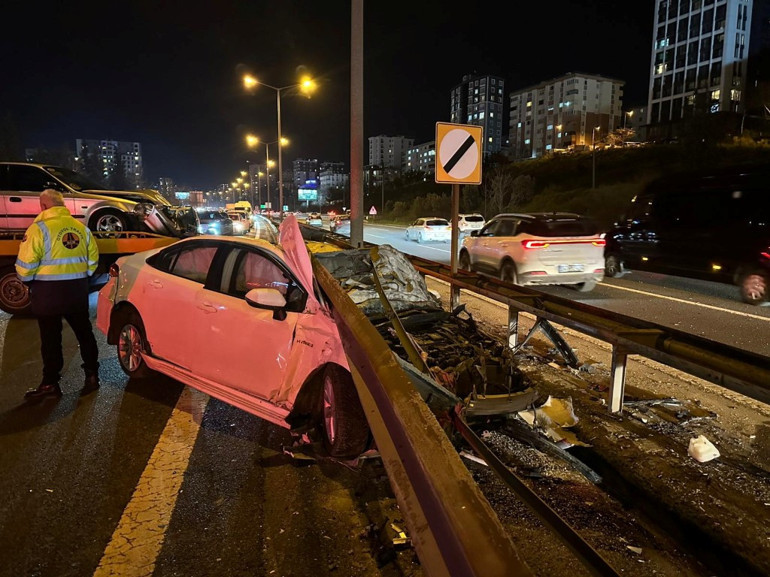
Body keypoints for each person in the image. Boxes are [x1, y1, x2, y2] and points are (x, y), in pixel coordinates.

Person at [15, 189, 101, 400]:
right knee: (85, 333)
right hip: (77, 292)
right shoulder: (81, 229)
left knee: (51, 339)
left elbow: (25, 268)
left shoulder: (39, 229)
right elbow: (93, 262)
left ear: (43, 206)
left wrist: (27, 280)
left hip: (48, 295)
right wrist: (80, 278)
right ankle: (92, 375)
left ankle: (50, 384)